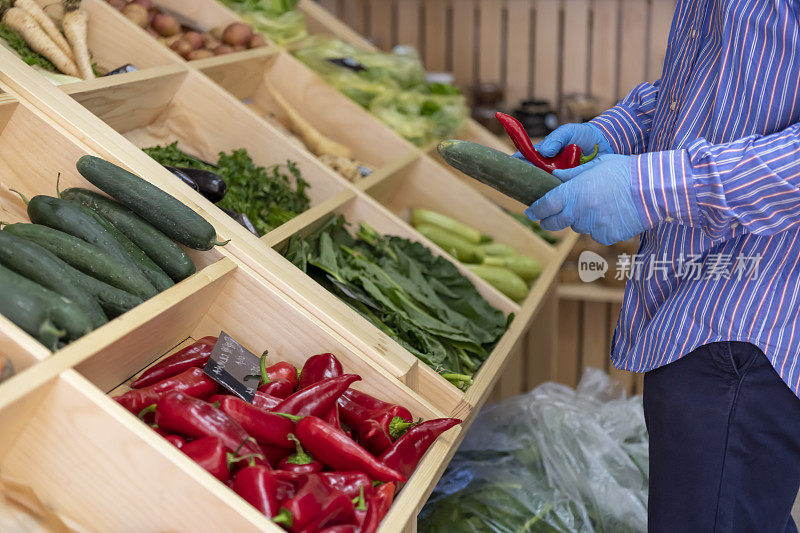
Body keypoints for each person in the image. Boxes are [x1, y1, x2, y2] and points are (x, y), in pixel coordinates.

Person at [520, 1, 800, 532]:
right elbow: (707, 82)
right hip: (693, 308)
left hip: (753, 323)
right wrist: (615, 132)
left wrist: (646, 186)